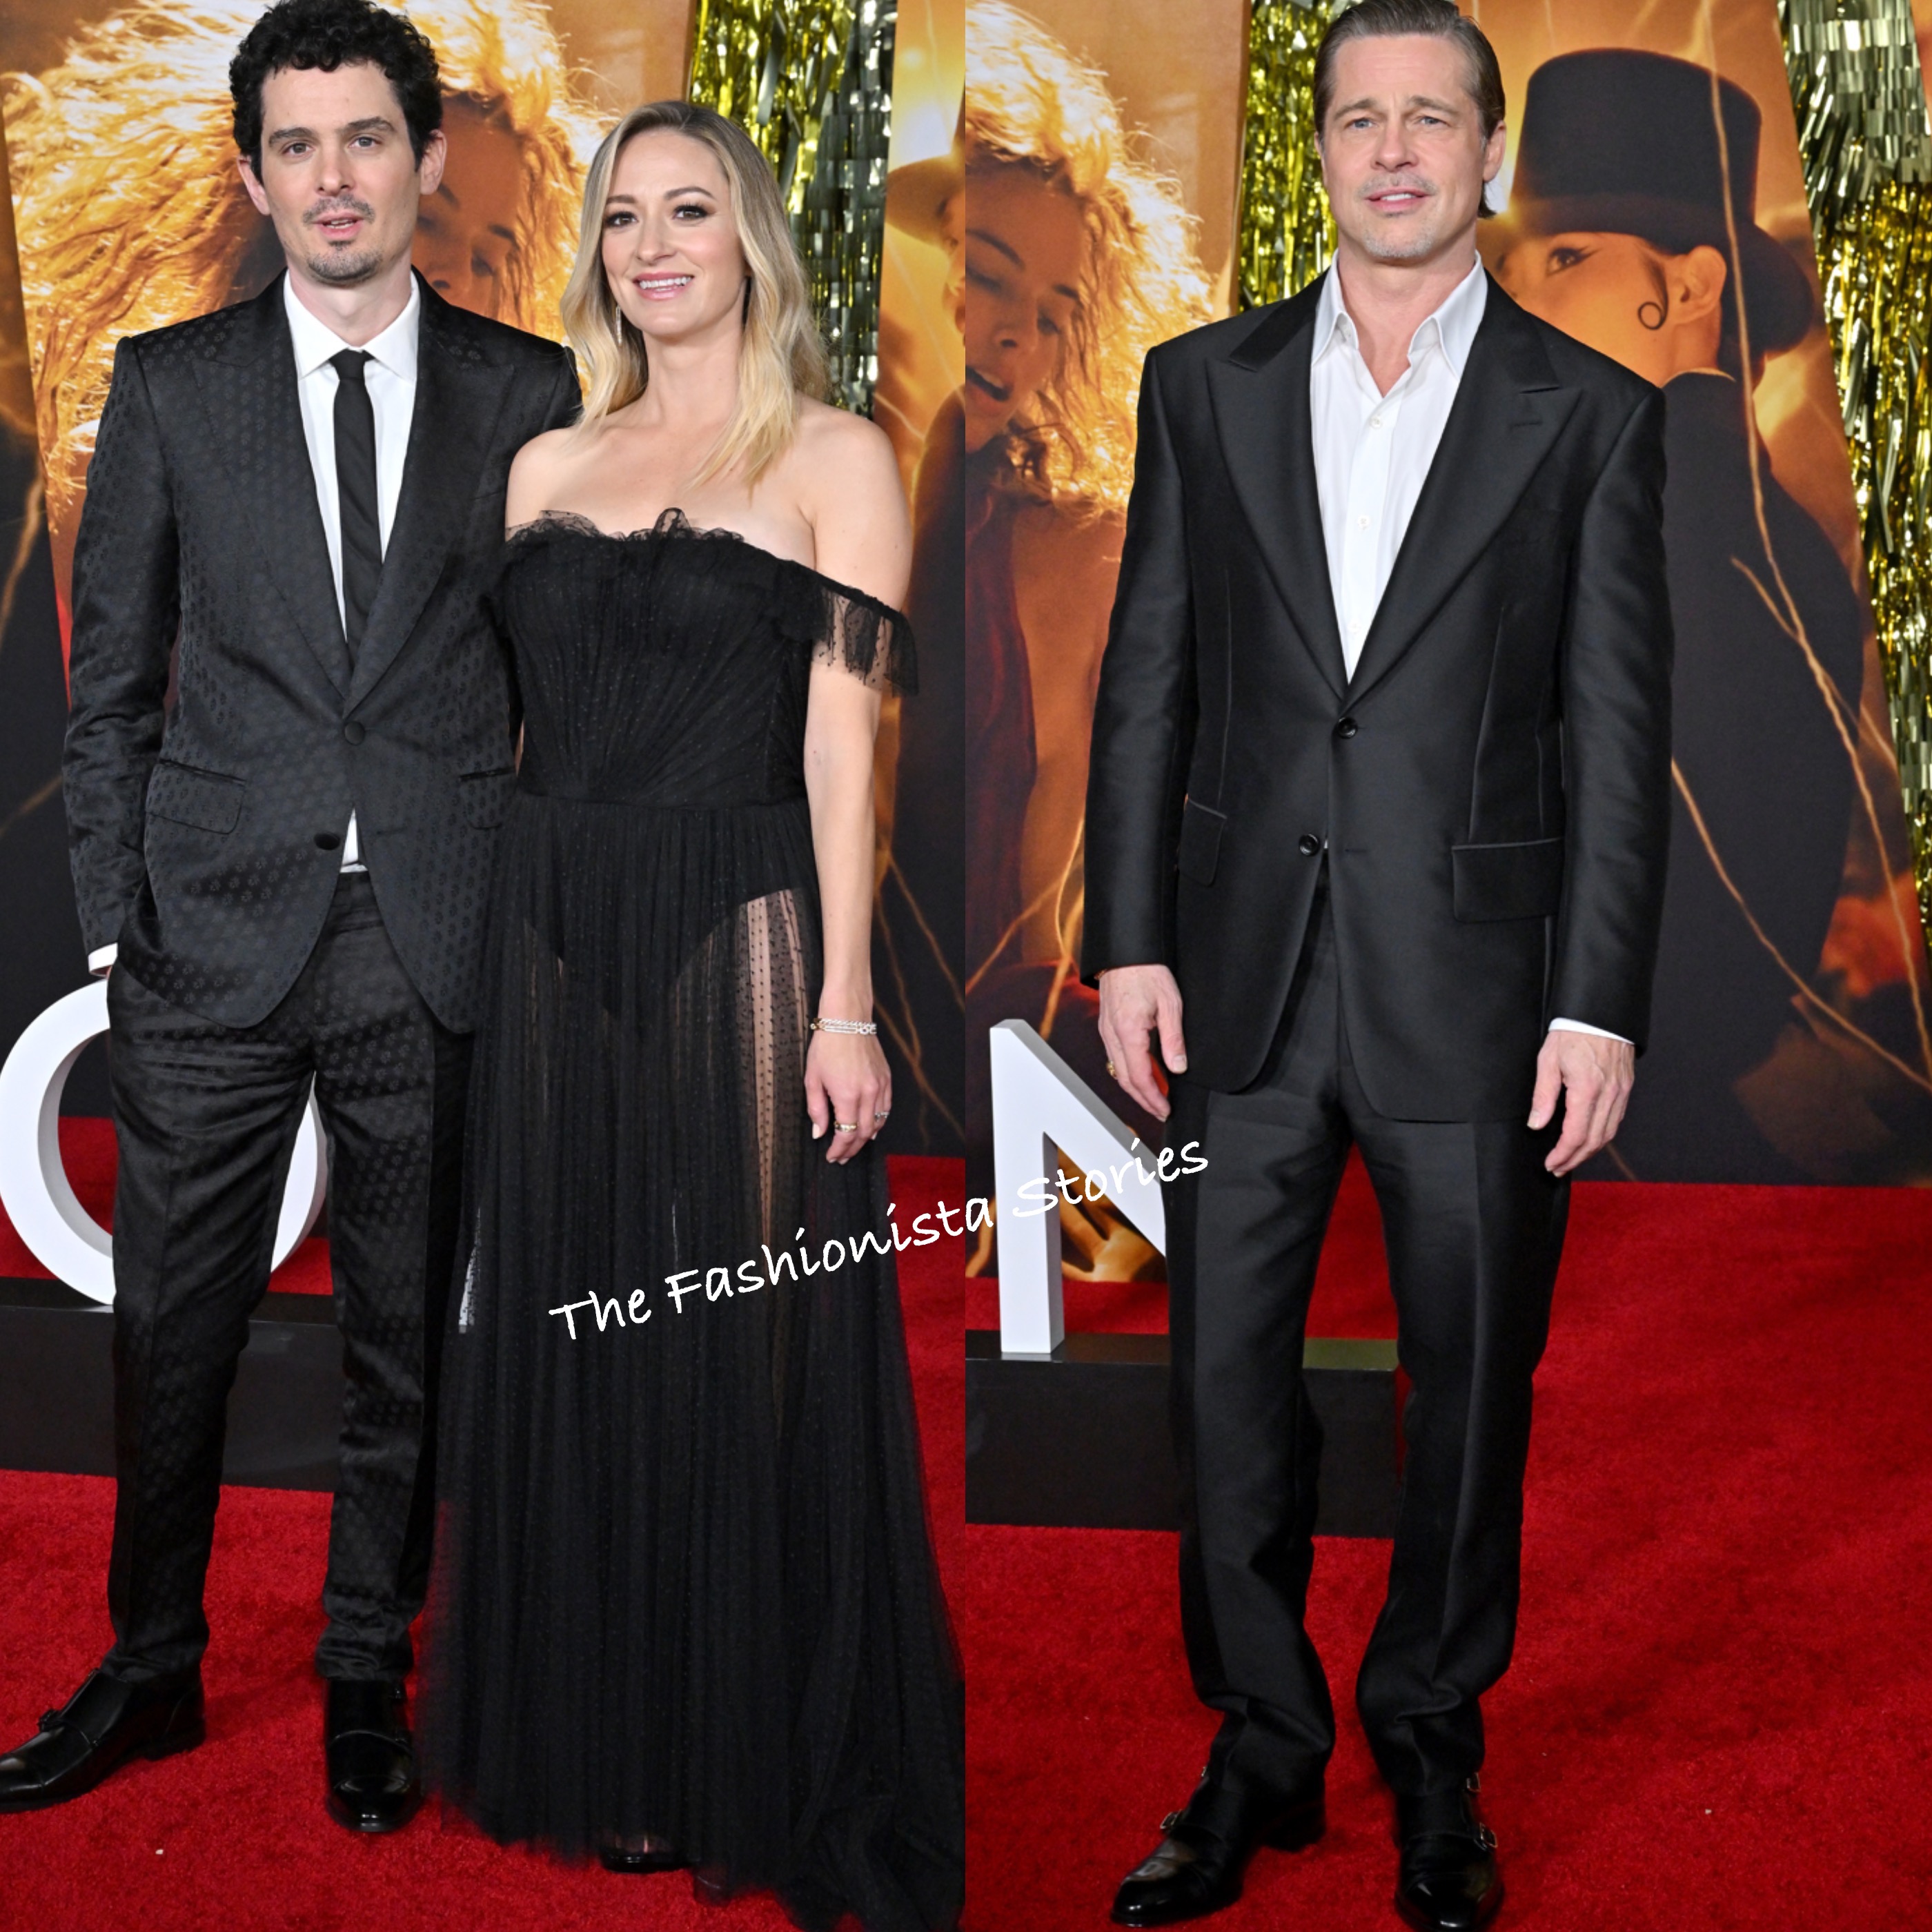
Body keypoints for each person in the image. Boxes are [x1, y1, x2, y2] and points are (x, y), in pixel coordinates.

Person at [1081, 3, 1672, 1927]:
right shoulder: (1204, 385)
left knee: (1470, 1391)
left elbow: (1617, 734)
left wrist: (1597, 999)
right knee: (1221, 1389)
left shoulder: (1592, 413)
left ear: (1490, 155)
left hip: (1481, 996)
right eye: (1360, 118)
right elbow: (1150, 676)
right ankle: (1262, 1741)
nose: (1396, 151)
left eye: (1432, 118)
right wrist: (1128, 940)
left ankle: (1431, 1741)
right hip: (1238, 979)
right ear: (1319, 151)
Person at [0, 0, 580, 1831]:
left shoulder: (528, 390)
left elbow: (561, 692)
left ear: (425, 159)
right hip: (207, 942)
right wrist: (120, 937)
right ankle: (150, 1661)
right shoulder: (172, 384)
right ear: (255, 177)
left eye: (367, 139)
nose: (336, 179)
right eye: (299, 146)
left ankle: (363, 1667)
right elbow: (110, 689)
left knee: (403, 1329)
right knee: (167, 1324)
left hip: (432, 929)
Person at [417, 101, 965, 1931]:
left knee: (739, 1330)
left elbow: (843, 750)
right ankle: (612, 1737)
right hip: (550, 917)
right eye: (625, 216)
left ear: (753, 240)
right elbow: (509, 724)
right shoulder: (543, 466)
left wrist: (846, 1003)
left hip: (741, 908)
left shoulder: (834, 455)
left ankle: (744, 1735)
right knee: (574, 1324)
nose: (654, 245)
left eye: (692, 210)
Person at [1489, 49, 1866, 1181]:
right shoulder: (1698, 518)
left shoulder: (1666, 528)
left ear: (1693, 289)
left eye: (1565, 258)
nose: (1521, 303)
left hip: (1607, 1151)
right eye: (1513, 271)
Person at [1, 0, 597, 583]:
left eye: (488, 260)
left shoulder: (524, 448)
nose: (458, 277)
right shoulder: (142, 435)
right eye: (429, 220)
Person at [960, 1, 1211, 1276]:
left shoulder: (1068, 547)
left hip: (973, 1066)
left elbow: (1046, 904)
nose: (1020, 335)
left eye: (1056, 308)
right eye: (987, 273)